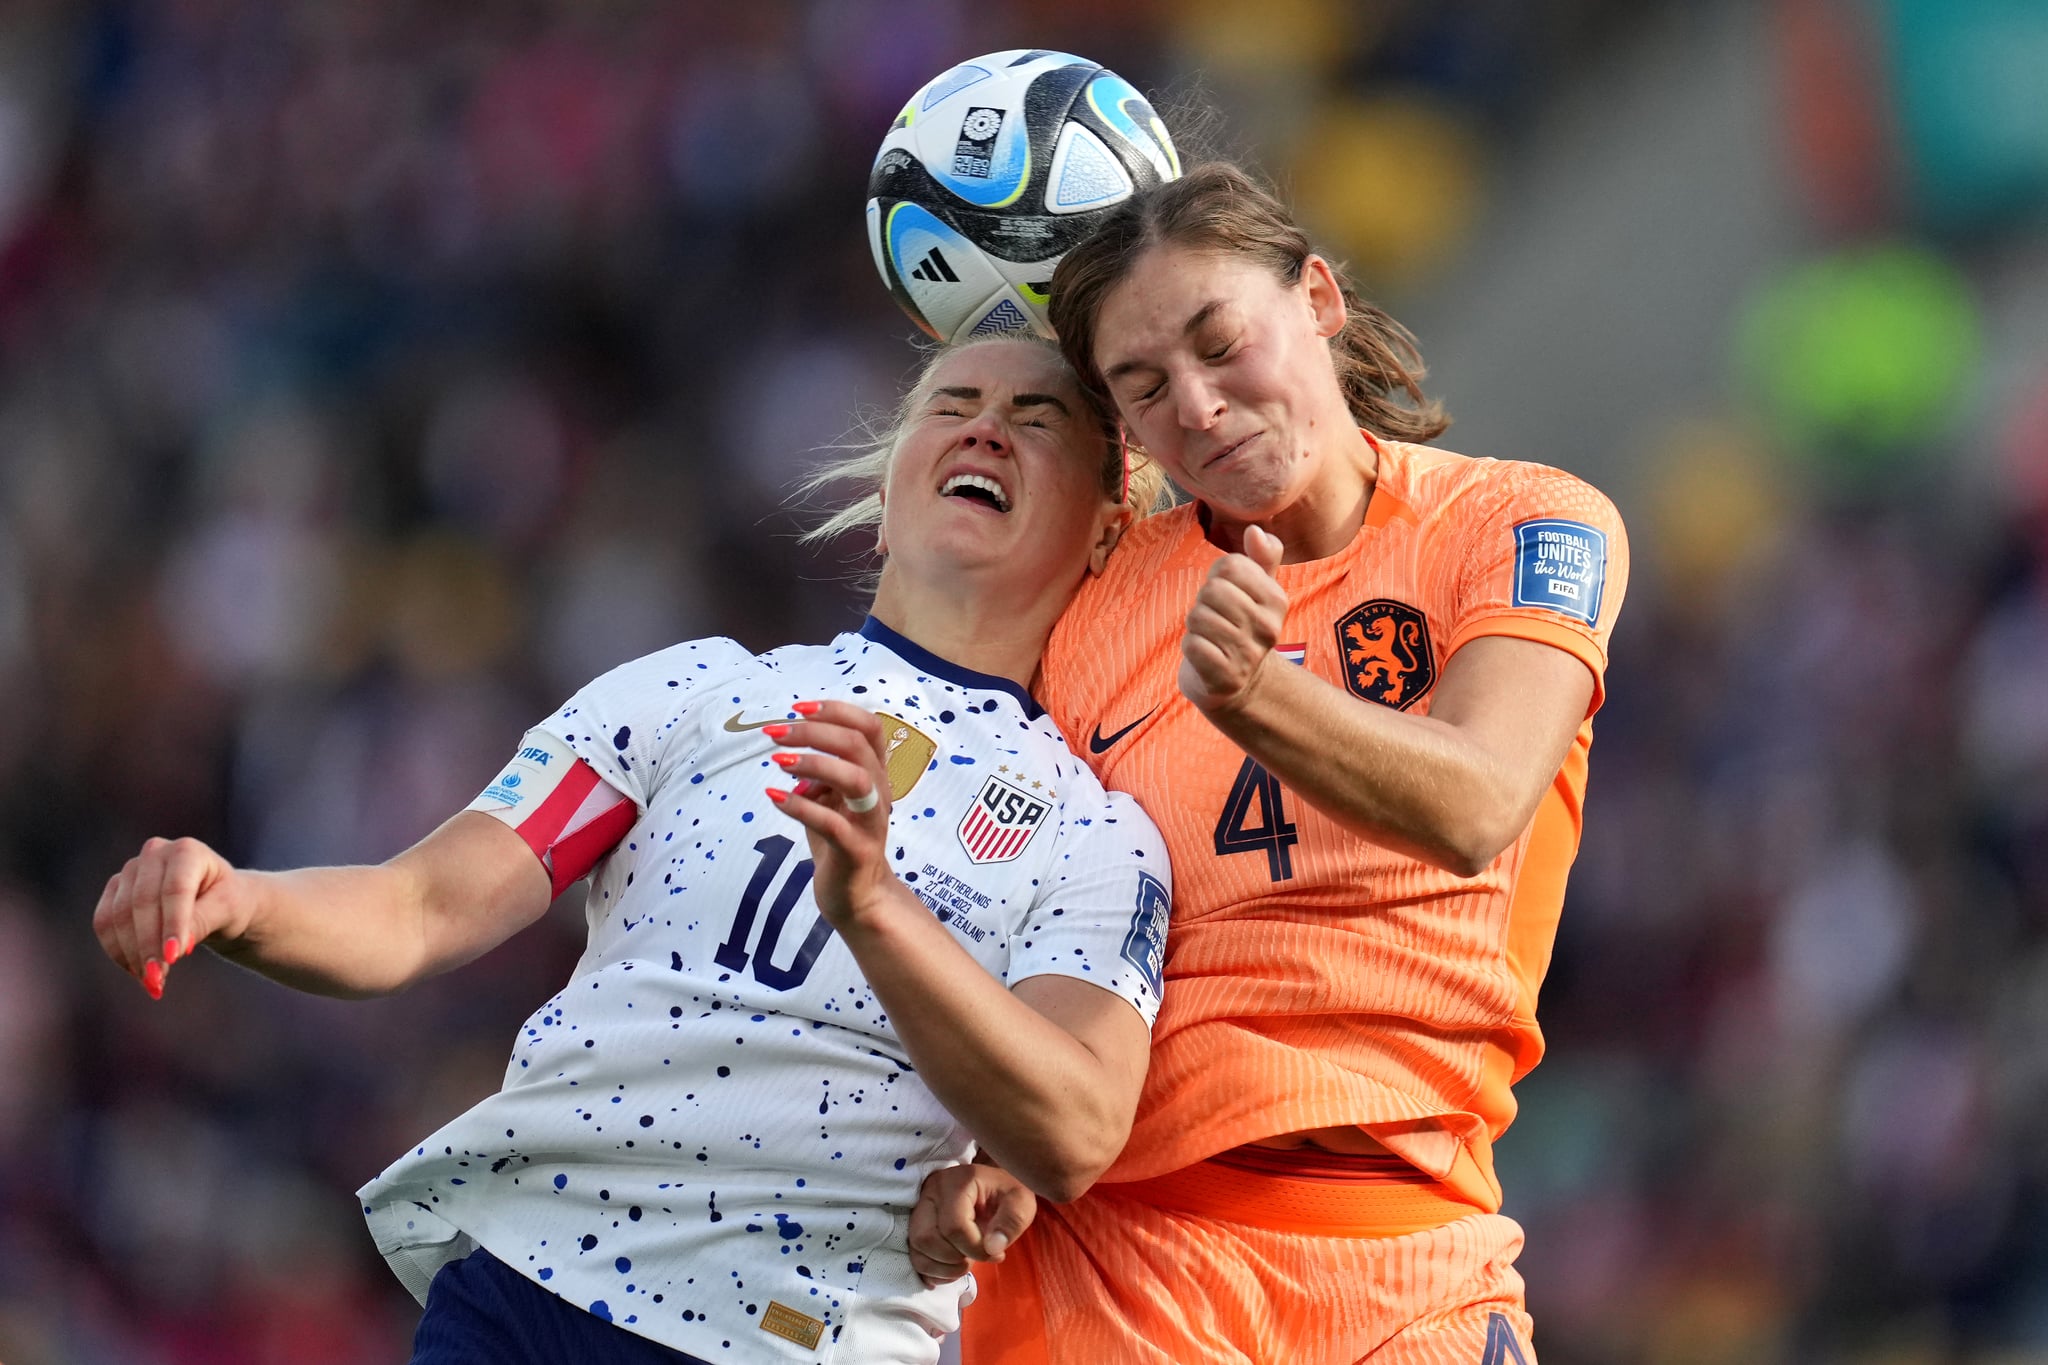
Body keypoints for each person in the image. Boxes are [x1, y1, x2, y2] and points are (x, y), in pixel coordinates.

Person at [91, 334, 1177, 1365]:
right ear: (886, 500)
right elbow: (419, 906)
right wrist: (241, 903)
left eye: (1035, 420)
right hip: (531, 1292)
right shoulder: (696, 690)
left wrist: (877, 911)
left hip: (788, 1338)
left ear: (1104, 531)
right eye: (952, 405)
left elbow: (1073, 1127)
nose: (984, 430)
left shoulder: (1099, 836)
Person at [911, 163, 1631, 1364]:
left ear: (1316, 298)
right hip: (1115, 1264)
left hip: (1407, 1262)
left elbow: (1477, 802)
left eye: (1218, 343)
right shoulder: (1092, 607)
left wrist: (1257, 698)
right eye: (1141, 388)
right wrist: (967, 1150)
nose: (1193, 404)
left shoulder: (1520, 523)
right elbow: (1011, 899)